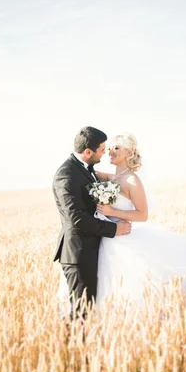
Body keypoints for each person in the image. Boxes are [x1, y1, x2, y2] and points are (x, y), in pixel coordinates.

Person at [92, 133, 186, 309]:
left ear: (128, 153)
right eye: (109, 149)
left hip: (122, 235)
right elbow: (90, 172)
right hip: (107, 235)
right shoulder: (112, 177)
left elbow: (142, 215)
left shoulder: (132, 180)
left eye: (116, 148)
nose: (110, 152)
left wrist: (112, 211)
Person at [52, 126, 132, 320]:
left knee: (89, 307)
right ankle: (73, 349)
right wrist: (114, 229)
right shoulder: (67, 175)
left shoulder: (84, 168)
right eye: (101, 150)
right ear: (88, 152)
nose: (104, 154)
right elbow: (77, 218)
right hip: (78, 254)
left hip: (90, 249)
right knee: (81, 311)